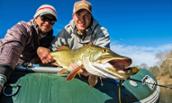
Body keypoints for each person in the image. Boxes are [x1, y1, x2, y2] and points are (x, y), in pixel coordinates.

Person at [0, 4, 57, 93]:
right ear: (36, 17)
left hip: (24, 70)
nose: (47, 23)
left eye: (52, 21)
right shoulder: (23, 29)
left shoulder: (52, 40)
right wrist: (1, 76)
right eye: (44, 18)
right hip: (5, 64)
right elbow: (12, 47)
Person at [37, 0, 110, 64]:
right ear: (73, 16)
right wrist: (41, 50)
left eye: (86, 15)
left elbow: (102, 59)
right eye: (78, 15)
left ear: (91, 16)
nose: (82, 20)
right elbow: (51, 50)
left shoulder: (102, 32)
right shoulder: (65, 32)